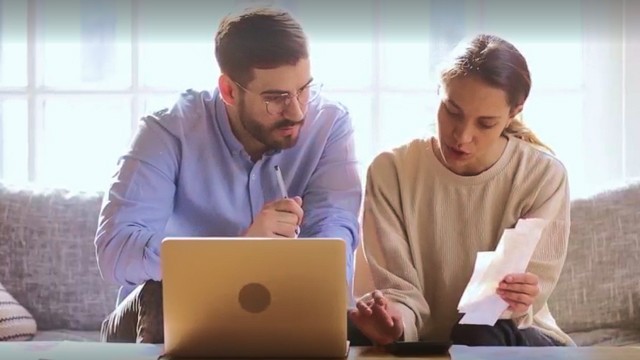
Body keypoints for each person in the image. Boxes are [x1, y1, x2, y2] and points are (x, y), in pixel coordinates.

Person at [95, 7, 362, 343]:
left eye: (303, 90)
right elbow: (114, 251)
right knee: (161, 296)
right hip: (157, 317)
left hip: (271, 311)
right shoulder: (168, 131)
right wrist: (239, 251)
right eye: (275, 98)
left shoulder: (330, 125)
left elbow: (334, 231)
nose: (296, 111)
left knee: (349, 320)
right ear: (230, 91)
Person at [349, 34, 575, 347]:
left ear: (514, 112)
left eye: (485, 123)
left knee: (477, 334)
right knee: (346, 327)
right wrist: (393, 322)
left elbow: (519, 301)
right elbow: (398, 289)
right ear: (438, 94)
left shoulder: (543, 176)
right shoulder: (391, 171)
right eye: (452, 112)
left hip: (508, 333)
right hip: (424, 339)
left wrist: (520, 299)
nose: (462, 136)